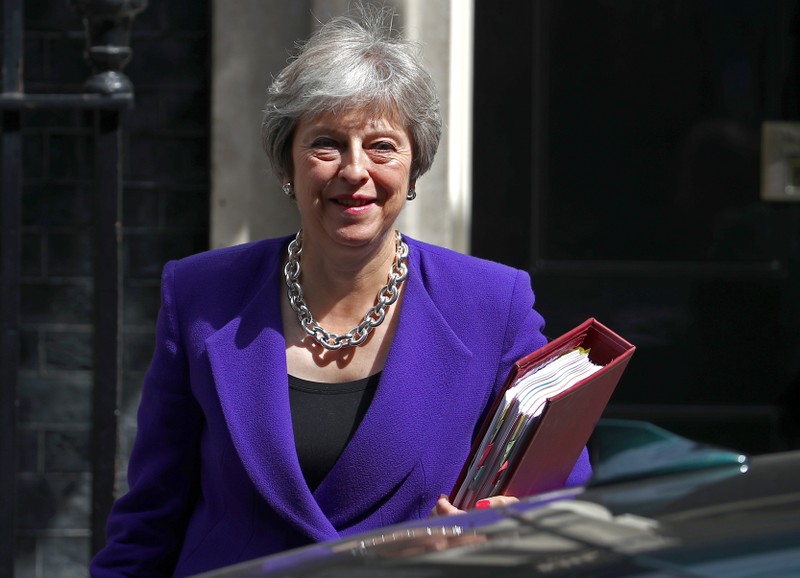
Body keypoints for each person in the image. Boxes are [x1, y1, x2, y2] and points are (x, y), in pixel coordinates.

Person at [90, 7, 591, 577]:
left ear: (415, 164)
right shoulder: (203, 294)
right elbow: (151, 516)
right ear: (288, 163)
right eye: (326, 144)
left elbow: (560, 501)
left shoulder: (491, 304)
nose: (355, 171)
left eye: (382, 146)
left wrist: (520, 529)